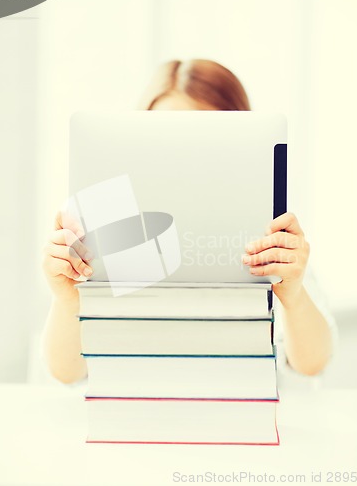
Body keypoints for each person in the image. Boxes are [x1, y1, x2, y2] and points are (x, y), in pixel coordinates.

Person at [42, 59, 334, 384]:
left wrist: (292, 294)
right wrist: (66, 297)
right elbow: (66, 373)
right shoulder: (107, 237)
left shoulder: (273, 243)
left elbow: (312, 364)